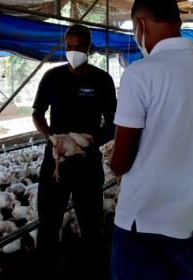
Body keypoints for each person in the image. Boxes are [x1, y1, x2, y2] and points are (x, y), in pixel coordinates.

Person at [109, 0, 193, 280]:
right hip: (190, 222)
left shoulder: (140, 74)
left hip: (142, 223)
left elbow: (120, 163)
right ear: (177, 22)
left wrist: (112, 161)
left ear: (140, 25)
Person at [32, 24, 117, 277]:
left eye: (78, 47)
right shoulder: (52, 77)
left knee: (91, 223)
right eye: (69, 46)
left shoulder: (102, 80)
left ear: (89, 48)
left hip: (87, 161)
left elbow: (113, 121)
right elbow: (37, 113)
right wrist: (50, 137)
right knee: (48, 220)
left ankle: (90, 269)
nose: (73, 51)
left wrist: (92, 141)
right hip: (56, 158)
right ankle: (45, 268)